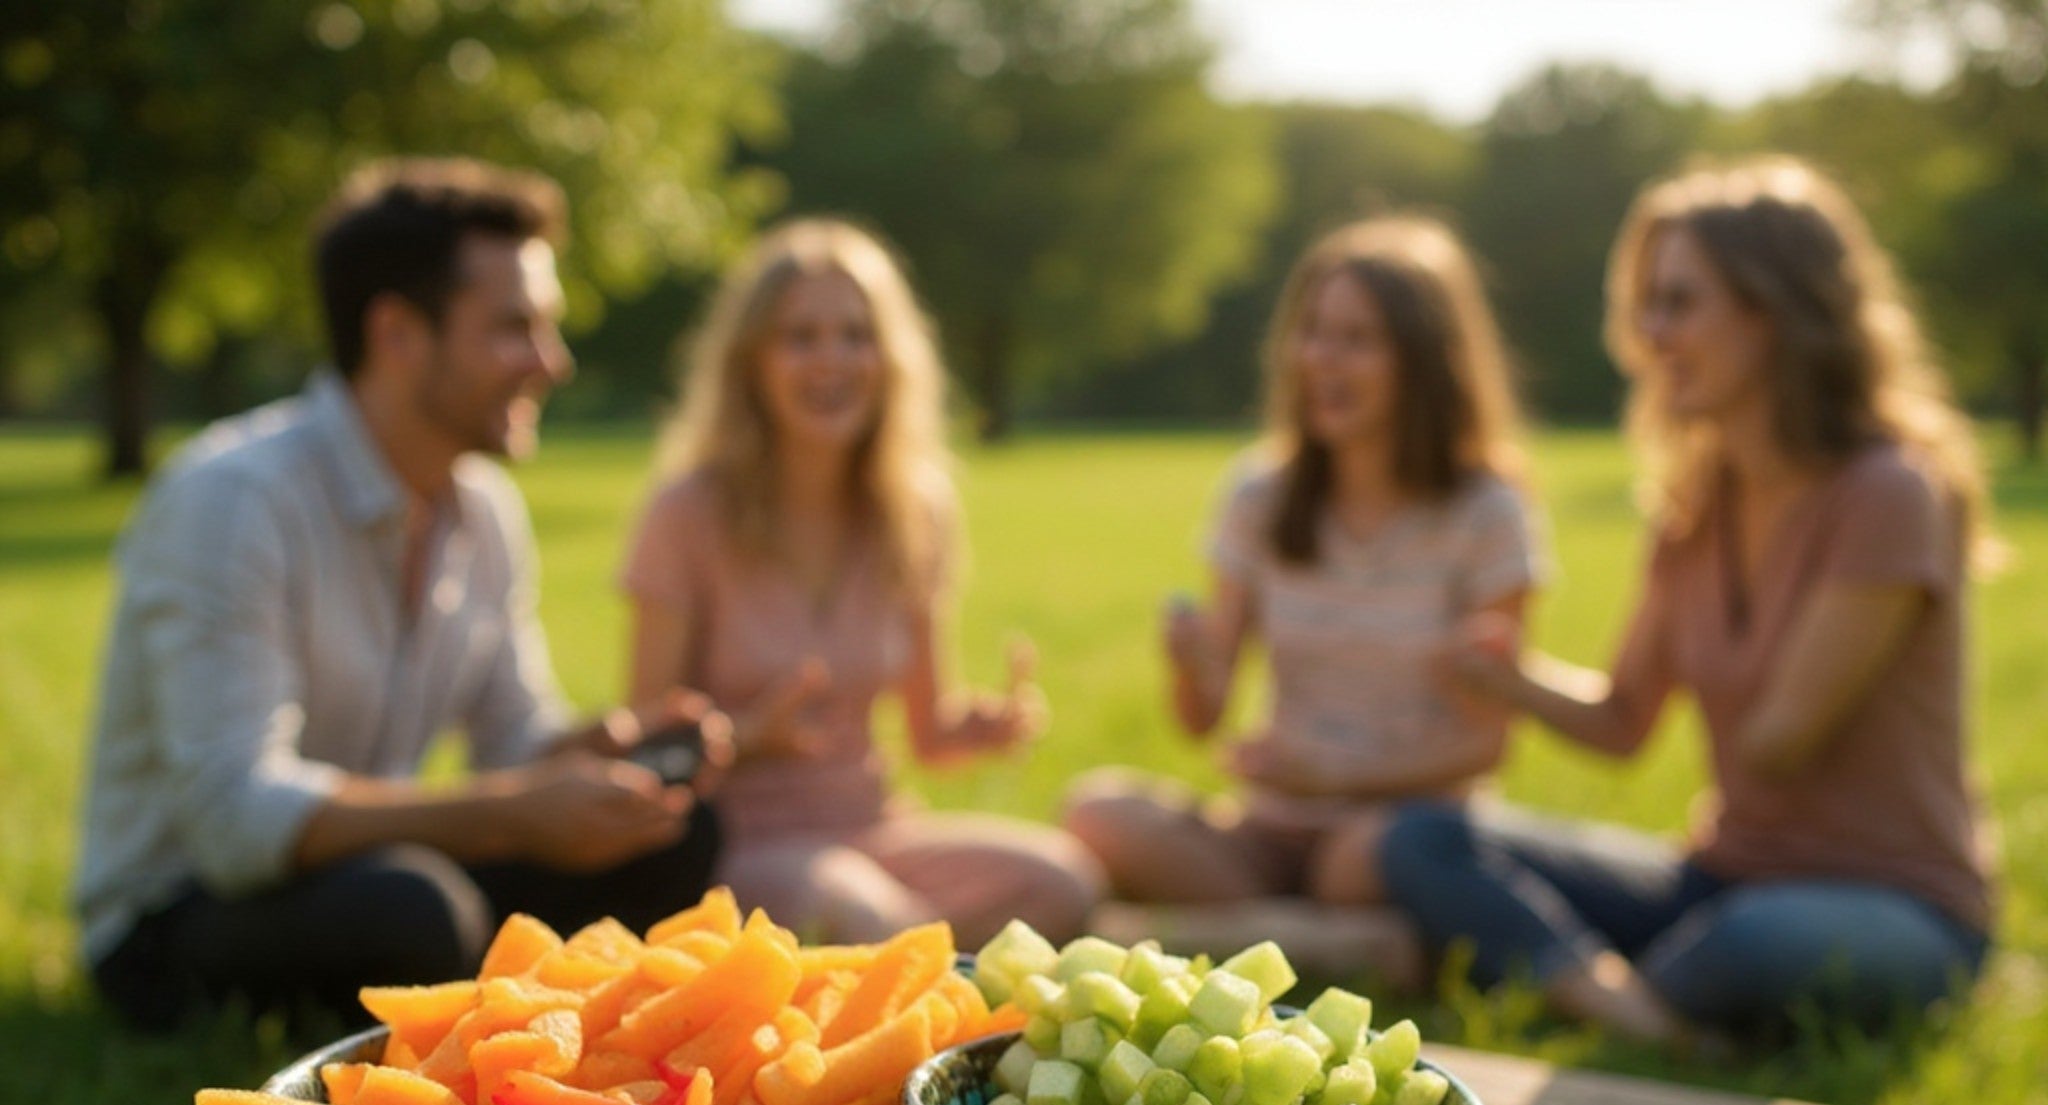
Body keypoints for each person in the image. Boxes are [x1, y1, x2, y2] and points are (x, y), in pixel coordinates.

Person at [77, 159, 723, 1031]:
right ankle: (496, 1011)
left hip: (370, 873)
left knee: (677, 827)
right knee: (413, 912)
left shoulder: (484, 509)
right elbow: (235, 824)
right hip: (178, 915)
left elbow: (514, 736)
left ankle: (523, 1018)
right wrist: (516, 812)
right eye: (513, 328)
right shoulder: (232, 500)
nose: (552, 362)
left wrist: (602, 747)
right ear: (396, 332)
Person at [1381, 158, 1996, 1043]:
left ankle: (1595, 985)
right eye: (1645, 305)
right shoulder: (1695, 509)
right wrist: (1506, 677)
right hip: (1725, 876)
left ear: (1777, 310)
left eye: (1678, 303)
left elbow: (1781, 742)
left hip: (1898, 909)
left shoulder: (1889, 491)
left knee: (1749, 943)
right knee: (1425, 839)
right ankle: (1633, 1005)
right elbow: (1625, 720)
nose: (1649, 336)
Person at [1062, 216, 1543, 983]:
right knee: (1097, 809)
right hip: (1266, 832)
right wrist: (1191, 668)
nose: (1321, 359)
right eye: (1312, 332)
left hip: (1389, 839)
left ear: (1423, 362)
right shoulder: (1262, 494)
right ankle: (1326, 945)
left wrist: (1332, 780)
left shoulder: (1487, 513)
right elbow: (1204, 717)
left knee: (1359, 864)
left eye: (1357, 339)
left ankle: (1182, 938)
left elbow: (1487, 746)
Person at [619, 217, 1101, 950]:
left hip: (874, 830)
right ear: (753, 361)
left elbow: (927, 732)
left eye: (855, 335)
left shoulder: (916, 509)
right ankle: (919, 981)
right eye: (801, 337)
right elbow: (643, 750)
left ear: (890, 359)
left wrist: (978, 727)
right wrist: (748, 738)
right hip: (735, 844)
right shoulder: (687, 512)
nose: (832, 361)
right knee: (871, 919)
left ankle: (895, 976)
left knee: (1064, 882)